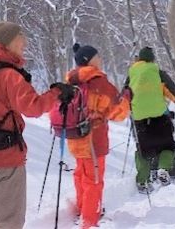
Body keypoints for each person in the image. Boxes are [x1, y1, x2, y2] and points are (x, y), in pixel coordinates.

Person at [0, 21, 72, 229]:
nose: (24, 41)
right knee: (9, 221)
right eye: (20, 36)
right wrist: (57, 94)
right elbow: (33, 107)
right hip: (4, 158)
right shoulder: (9, 75)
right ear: (8, 41)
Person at [64, 43, 130, 228]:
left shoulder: (71, 81)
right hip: (94, 139)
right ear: (88, 60)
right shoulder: (99, 82)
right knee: (93, 179)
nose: (100, 58)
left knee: (80, 175)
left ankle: (83, 208)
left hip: (75, 137)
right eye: (97, 56)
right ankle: (90, 220)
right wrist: (126, 98)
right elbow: (118, 113)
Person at [125, 46, 175, 193]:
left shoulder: (131, 75)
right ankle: (163, 169)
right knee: (168, 147)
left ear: (139, 59)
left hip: (139, 119)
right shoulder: (158, 73)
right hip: (160, 117)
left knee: (143, 150)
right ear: (152, 59)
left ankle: (142, 181)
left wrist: (129, 110)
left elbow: (126, 95)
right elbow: (172, 90)